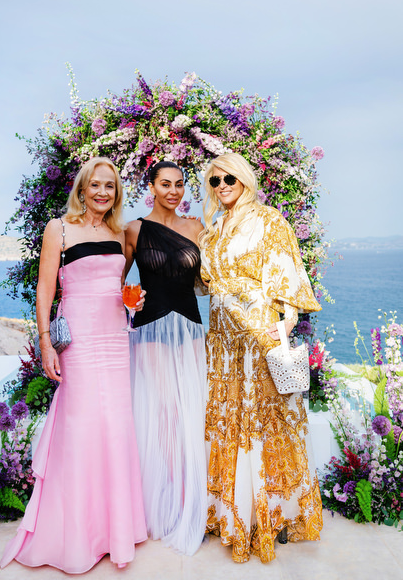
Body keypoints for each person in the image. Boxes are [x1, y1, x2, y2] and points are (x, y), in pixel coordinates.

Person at [0, 157, 147, 573]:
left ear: (116, 193)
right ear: (82, 188)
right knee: (81, 427)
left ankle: (113, 529)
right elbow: (45, 287)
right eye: (96, 185)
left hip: (116, 337)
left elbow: (118, 287)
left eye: (111, 187)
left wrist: (133, 302)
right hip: (78, 340)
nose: (103, 192)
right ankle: (78, 534)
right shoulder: (58, 228)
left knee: (115, 427)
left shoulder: (120, 233)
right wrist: (45, 342)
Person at [199, 152, 323, 564]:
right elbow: (203, 283)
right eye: (215, 181)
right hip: (222, 336)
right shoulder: (213, 229)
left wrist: (286, 323)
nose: (222, 187)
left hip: (257, 330)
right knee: (230, 419)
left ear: (245, 179)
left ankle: (272, 515)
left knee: (263, 420)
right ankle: (235, 515)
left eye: (228, 178)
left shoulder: (269, 221)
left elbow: (287, 271)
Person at [124, 161, 207, 556]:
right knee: (165, 412)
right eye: (165, 184)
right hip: (152, 327)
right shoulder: (134, 229)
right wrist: (125, 298)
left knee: (195, 410)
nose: (173, 191)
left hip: (190, 327)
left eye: (179, 184)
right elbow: (112, 278)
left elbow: (215, 280)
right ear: (152, 187)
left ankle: (195, 501)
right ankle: (172, 504)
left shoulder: (196, 228)